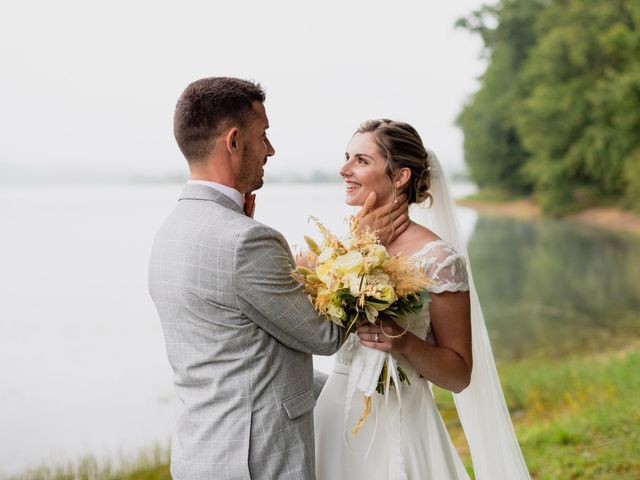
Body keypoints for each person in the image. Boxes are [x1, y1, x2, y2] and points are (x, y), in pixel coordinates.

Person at [148, 78, 409, 480]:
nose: (271, 149)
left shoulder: (171, 230)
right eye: (264, 134)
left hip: (199, 454)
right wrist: (360, 246)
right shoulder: (246, 241)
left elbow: (240, 349)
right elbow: (325, 336)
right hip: (257, 462)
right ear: (234, 142)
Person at [314, 119, 531, 479]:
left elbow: (459, 375)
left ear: (400, 176)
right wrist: (358, 246)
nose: (344, 169)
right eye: (347, 157)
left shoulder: (438, 260)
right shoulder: (343, 250)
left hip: (399, 425)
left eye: (361, 161)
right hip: (334, 417)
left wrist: (405, 343)